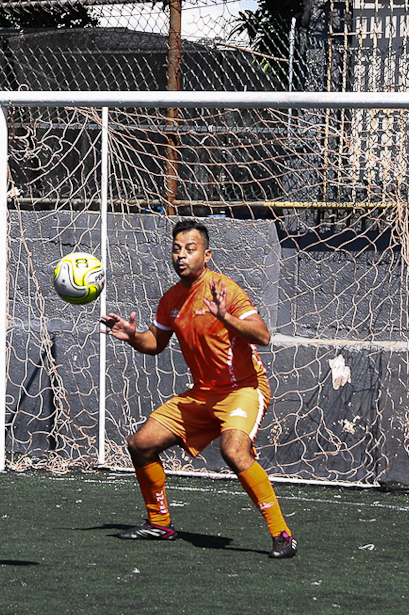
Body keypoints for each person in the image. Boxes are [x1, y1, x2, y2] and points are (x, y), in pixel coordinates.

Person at [99, 218, 297, 559]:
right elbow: (155, 343)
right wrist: (132, 336)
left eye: (190, 249)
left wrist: (226, 318)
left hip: (243, 389)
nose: (181, 256)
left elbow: (263, 336)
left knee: (233, 451)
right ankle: (159, 522)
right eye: (176, 249)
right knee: (141, 444)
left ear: (206, 255)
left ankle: (282, 534)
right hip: (202, 393)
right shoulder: (172, 298)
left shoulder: (225, 290)